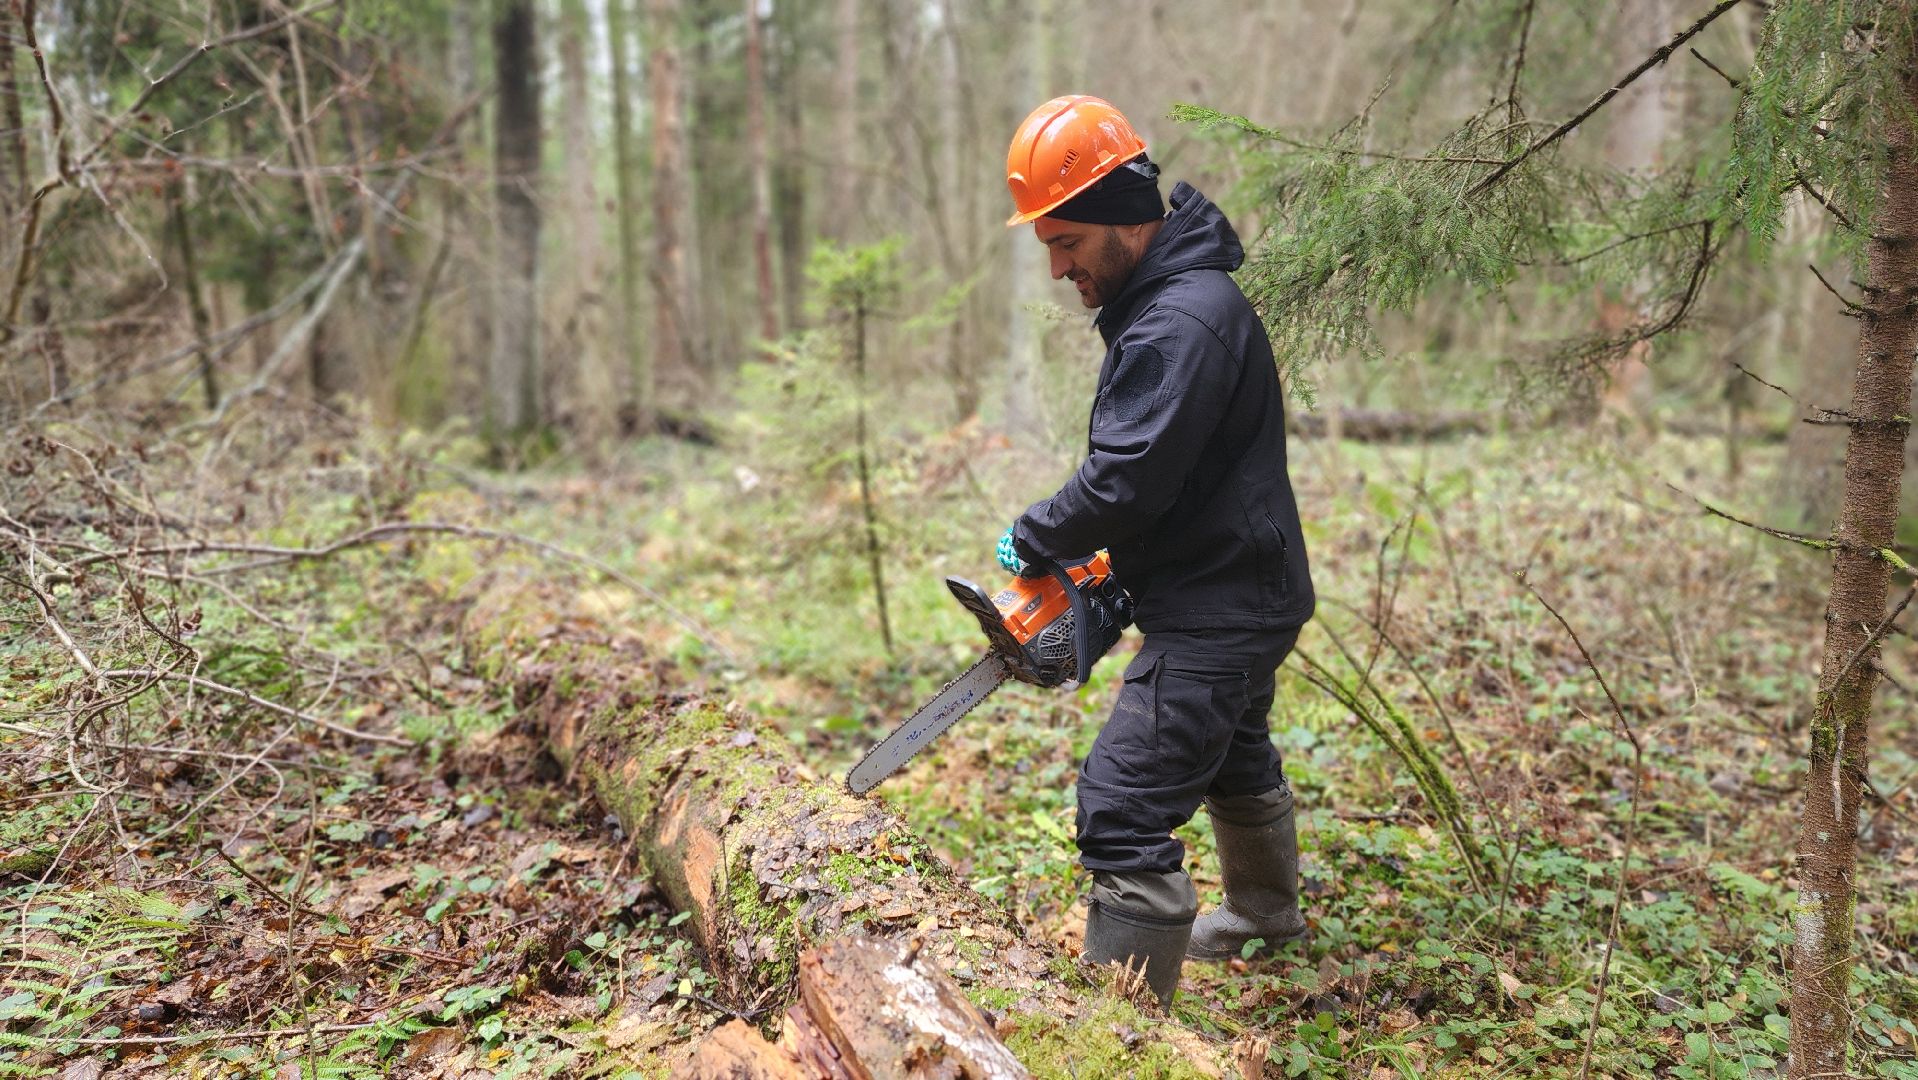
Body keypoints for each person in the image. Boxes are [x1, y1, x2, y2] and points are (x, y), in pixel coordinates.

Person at [997, 95, 1317, 1008]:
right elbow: (1170, 473)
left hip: (1224, 602)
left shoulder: (1182, 319)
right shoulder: (1171, 302)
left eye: (1065, 242)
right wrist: (1117, 558)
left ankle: (1120, 1030)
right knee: (1232, 748)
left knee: (1125, 799)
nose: (1058, 267)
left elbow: (1126, 478)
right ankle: (1265, 914)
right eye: (1048, 247)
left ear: (1118, 215)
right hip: (1232, 582)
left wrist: (1037, 534)